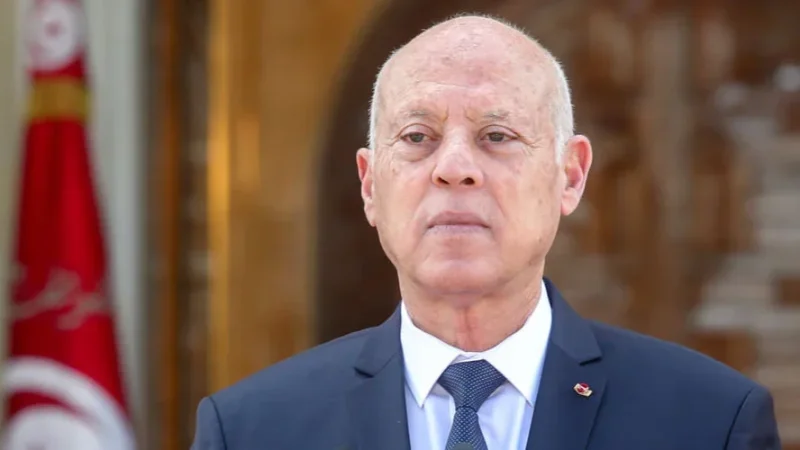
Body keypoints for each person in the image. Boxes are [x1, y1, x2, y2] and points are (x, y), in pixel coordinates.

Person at [191, 14, 781, 450]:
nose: (454, 168)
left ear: (570, 176)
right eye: (418, 137)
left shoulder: (709, 422)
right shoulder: (251, 430)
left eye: (497, 136)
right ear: (370, 185)